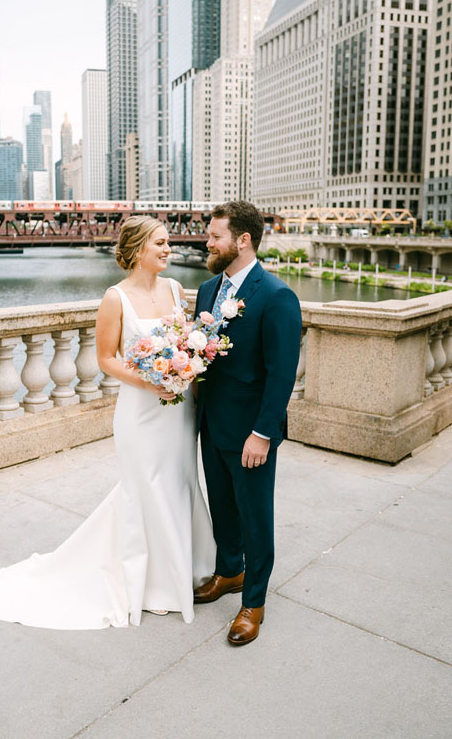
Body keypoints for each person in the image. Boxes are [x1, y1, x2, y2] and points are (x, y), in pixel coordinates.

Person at [0, 215, 215, 628]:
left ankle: (189, 565)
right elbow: (106, 359)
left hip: (179, 411)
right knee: (145, 488)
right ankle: (155, 584)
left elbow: (185, 344)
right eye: (159, 243)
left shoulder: (177, 290)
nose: (168, 250)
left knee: (179, 481)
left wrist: (183, 370)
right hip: (141, 413)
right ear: (138, 248)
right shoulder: (115, 298)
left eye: (168, 243)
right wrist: (150, 380)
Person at [192, 200, 302, 646]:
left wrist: (263, 434)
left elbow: (281, 374)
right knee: (222, 506)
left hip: (251, 432)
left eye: (215, 236)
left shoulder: (276, 296)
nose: (207, 242)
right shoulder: (204, 291)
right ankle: (229, 572)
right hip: (210, 424)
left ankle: (253, 602)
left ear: (243, 240)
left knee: (255, 517)